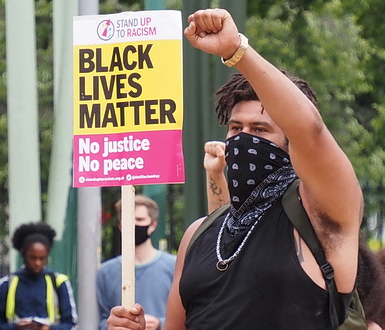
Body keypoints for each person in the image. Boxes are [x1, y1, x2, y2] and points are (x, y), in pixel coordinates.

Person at [108, 8, 363, 329]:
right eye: (235, 128)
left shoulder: (323, 214)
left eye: (260, 130)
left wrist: (235, 51)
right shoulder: (198, 235)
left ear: (291, 144)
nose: (243, 139)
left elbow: (309, 130)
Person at [205, 142, 385, 330]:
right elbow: (228, 241)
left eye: (259, 130)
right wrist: (215, 174)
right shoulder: (271, 229)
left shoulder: (335, 251)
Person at [97, 195, 176, 330]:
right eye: (128, 220)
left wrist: (160, 323)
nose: (133, 225)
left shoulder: (174, 266)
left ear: (153, 225)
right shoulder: (105, 272)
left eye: (139, 219)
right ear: (120, 226)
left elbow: (189, 314)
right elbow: (99, 319)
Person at [0, 222, 78, 330]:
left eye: (42, 258)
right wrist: (16, 327)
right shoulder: (6, 284)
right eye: (33, 257)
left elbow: (72, 324)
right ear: (23, 254)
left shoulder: (59, 282)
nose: (37, 263)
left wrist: (49, 328)